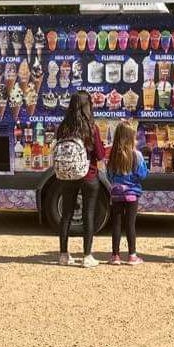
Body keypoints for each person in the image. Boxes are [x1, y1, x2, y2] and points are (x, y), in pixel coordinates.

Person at [55, 90, 106, 268]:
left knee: (66, 215)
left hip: (66, 176)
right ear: (87, 106)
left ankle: (63, 255)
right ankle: (87, 256)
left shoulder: (63, 127)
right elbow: (99, 155)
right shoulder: (91, 128)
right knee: (88, 215)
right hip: (88, 175)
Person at [104, 120, 148, 265]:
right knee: (130, 225)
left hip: (116, 195)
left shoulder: (112, 155)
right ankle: (132, 256)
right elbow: (142, 175)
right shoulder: (137, 155)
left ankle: (115, 256)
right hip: (132, 195)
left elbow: (109, 175)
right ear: (131, 137)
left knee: (116, 224)